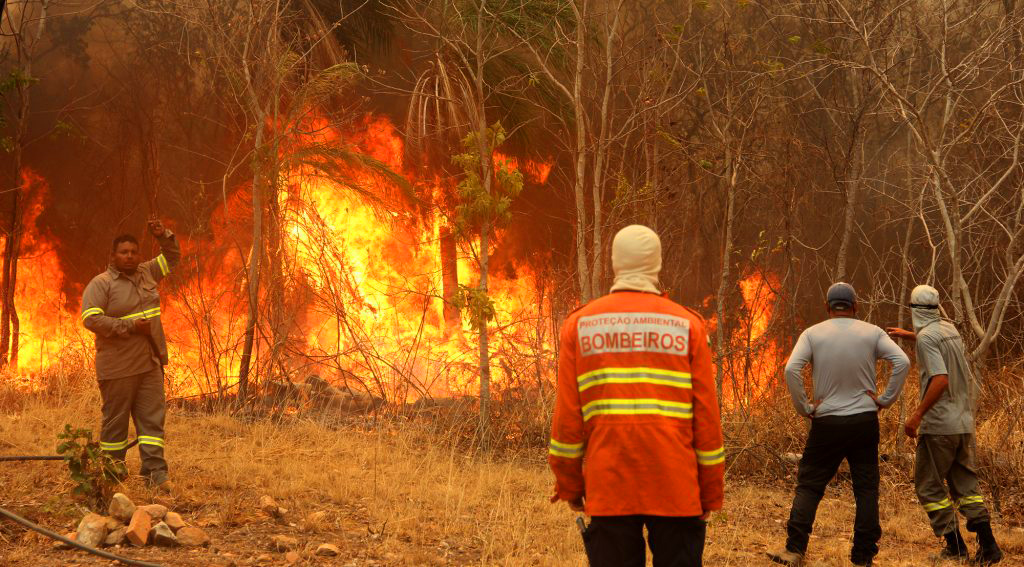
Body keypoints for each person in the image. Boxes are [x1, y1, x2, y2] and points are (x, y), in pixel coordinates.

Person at [548, 224, 724, 567]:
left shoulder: (580, 325)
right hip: (676, 487)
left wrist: (570, 484)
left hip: (610, 483)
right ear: (656, 265)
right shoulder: (687, 326)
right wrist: (711, 491)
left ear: (615, 262)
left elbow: (567, 420)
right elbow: (707, 421)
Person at [768, 282, 910, 567]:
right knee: (866, 488)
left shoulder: (813, 334)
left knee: (809, 486)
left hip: (827, 422)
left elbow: (791, 369)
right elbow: (902, 361)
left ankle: (794, 550)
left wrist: (804, 407)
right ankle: (862, 556)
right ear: (855, 306)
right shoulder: (872, 332)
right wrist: (884, 400)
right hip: (863, 421)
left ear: (828, 307)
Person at [887, 284, 1003, 564]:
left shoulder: (928, 338)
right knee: (966, 487)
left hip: (939, 426)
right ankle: (989, 548)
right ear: (936, 308)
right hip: (963, 423)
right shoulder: (949, 330)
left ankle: (955, 547)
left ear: (914, 310)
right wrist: (910, 336)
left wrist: (916, 415)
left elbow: (940, 379)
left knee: (928, 486)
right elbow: (934, 341)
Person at [81, 217, 180, 490]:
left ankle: (155, 473)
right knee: (115, 424)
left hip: (149, 363)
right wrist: (128, 326)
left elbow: (172, 257)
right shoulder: (101, 284)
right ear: (113, 256)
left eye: (134, 252)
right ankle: (112, 474)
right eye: (124, 252)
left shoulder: (147, 272)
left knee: (152, 421)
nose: (130, 256)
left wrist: (163, 235)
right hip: (118, 366)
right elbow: (90, 319)